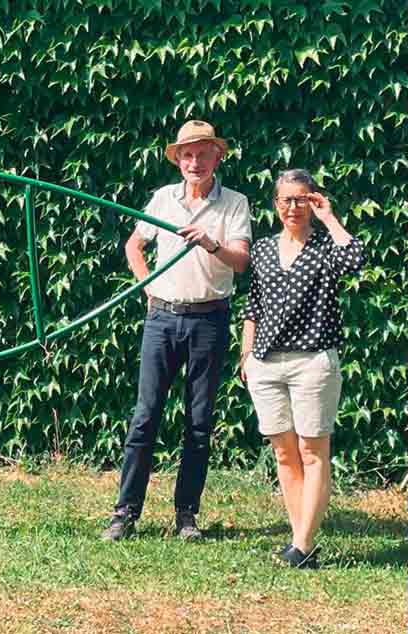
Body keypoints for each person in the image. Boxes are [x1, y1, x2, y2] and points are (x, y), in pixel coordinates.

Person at [102, 120, 252, 541]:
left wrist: (210, 244)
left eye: (204, 153)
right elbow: (135, 244)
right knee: (145, 416)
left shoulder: (235, 203)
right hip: (163, 319)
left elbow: (241, 261)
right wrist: (148, 286)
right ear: (178, 161)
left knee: (199, 421)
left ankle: (186, 516)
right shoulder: (163, 198)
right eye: (187, 155)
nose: (195, 162)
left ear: (217, 157)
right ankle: (125, 513)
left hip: (209, 319)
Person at [239, 169, 362, 568]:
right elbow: (253, 306)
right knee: (284, 454)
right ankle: (300, 542)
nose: (293, 207)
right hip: (265, 364)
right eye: (286, 200)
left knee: (312, 450)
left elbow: (355, 258)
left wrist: (329, 217)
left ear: (313, 201)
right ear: (275, 205)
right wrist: (246, 354)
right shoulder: (260, 249)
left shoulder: (327, 246)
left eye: (302, 199)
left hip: (313, 363)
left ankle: (303, 545)